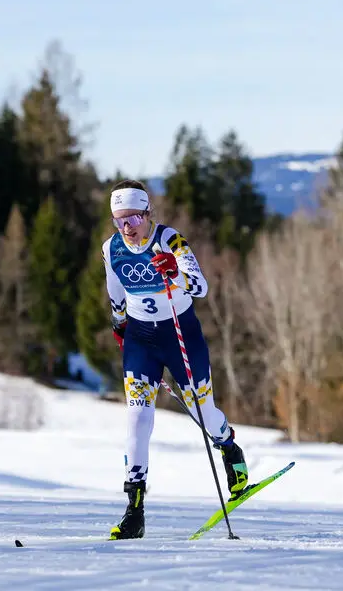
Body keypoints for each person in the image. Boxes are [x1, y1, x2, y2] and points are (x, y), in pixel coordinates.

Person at [101, 179, 247, 540]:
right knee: (137, 419)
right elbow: (115, 288)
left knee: (203, 412)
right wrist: (119, 322)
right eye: (119, 219)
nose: (127, 227)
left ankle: (228, 446)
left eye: (134, 217)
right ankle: (134, 512)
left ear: (148, 213)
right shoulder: (111, 248)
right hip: (141, 340)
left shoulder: (170, 241)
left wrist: (176, 272)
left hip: (180, 333)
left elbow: (200, 287)